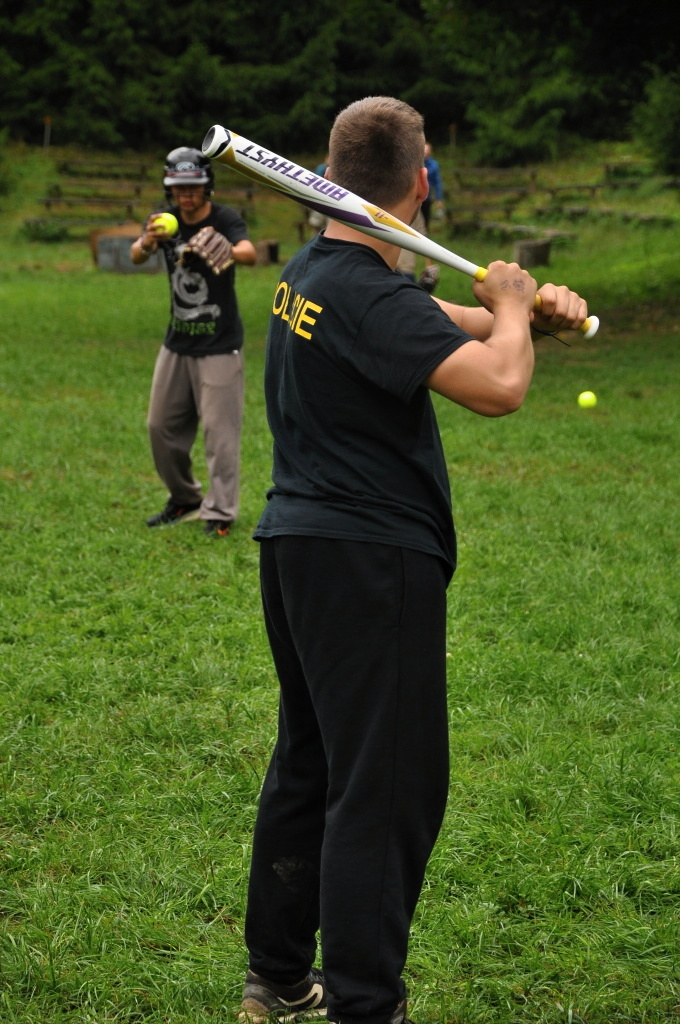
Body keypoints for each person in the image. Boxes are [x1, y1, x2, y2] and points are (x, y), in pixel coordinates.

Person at [241, 97, 587, 1024]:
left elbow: (443, 322)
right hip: (369, 562)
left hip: (299, 548)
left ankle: (277, 977)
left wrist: (521, 317)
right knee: (386, 787)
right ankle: (365, 1003)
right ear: (420, 180)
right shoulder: (369, 293)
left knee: (314, 762)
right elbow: (500, 388)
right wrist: (510, 313)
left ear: (330, 171)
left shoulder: (317, 273)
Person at [131, 147, 257, 537]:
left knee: (220, 436)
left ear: (207, 186)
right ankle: (184, 497)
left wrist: (228, 250)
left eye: (194, 187)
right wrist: (148, 241)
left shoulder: (224, 219)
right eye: (179, 188)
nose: (186, 196)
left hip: (220, 344)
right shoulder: (162, 220)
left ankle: (220, 512)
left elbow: (250, 253)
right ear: (169, 188)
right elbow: (137, 255)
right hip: (177, 343)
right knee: (160, 427)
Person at [421, 141, 444, 229]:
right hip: (414, 197)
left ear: (430, 151)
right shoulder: (415, 163)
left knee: (425, 220)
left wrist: (439, 198)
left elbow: (437, 182)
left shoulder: (434, 165)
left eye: (426, 150)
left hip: (427, 197)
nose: (425, 152)